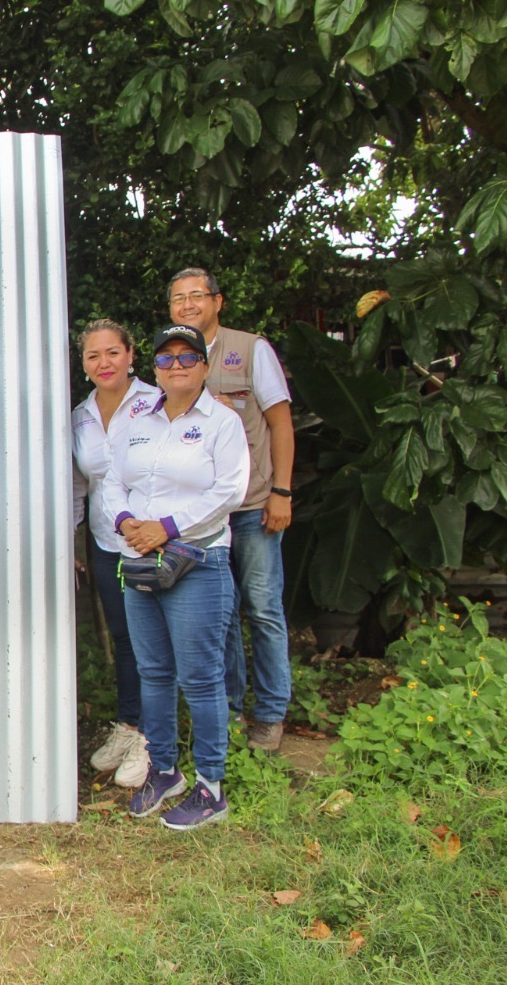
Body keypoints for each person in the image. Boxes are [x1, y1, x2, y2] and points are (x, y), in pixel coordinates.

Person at [102, 324, 249, 830]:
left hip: (197, 563)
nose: (177, 366)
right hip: (142, 562)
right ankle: (164, 771)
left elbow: (229, 492)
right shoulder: (139, 421)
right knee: (154, 673)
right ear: (156, 369)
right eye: (166, 359)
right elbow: (112, 482)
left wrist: (164, 528)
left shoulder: (222, 424)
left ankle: (210, 787)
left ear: (205, 366)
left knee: (201, 679)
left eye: (188, 357)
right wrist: (126, 523)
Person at [168, 268, 295, 750]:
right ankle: (231, 709)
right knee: (221, 614)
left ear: (217, 302)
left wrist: (282, 491)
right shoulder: (173, 359)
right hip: (204, 516)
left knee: (263, 608)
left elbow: (280, 424)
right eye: (178, 298)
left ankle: (271, 711)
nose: (187, 305)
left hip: (255, 504)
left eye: (197, 296)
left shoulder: (250, 349)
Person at [71, 319, 159, 789]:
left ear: (130, 355)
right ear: (84, 365)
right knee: (125, 638)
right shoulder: (80, 415)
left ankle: (153, 738)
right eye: (93, 356)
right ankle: (129, 725)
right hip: (107, 543)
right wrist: (70, 541)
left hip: (154, 542)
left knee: (153, 642)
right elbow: (78, 487)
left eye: (112, 353)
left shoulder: (156, 403)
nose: (103, 363)